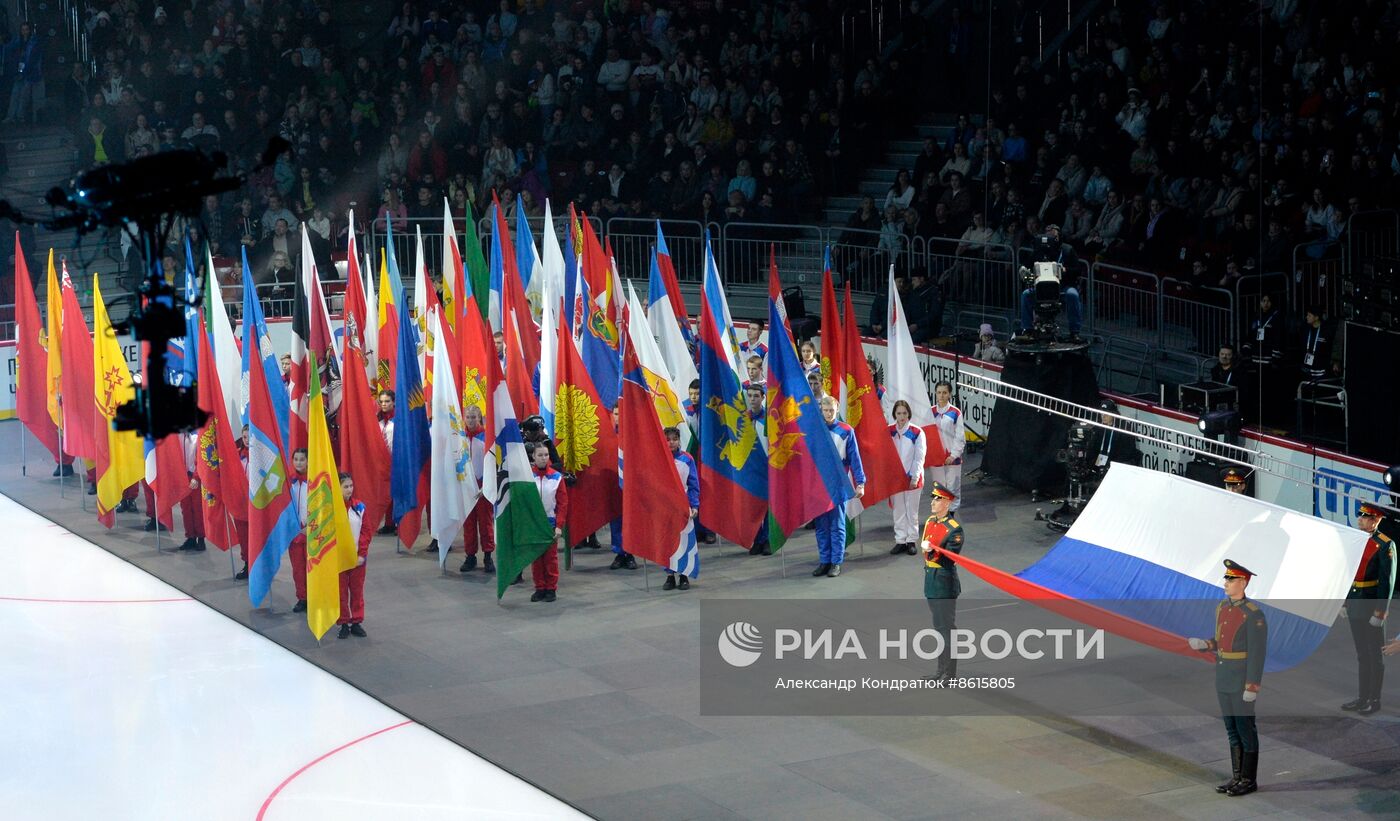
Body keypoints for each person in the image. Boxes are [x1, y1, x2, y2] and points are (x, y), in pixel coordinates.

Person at [1187, 560, 1267, 797]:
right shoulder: (1222, 607)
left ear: (1242, 583)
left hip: (1241, 678)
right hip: (1223, 675)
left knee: (1245, 729)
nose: (1225, 583)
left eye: (1230, 579)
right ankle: (1237, 776)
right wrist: (1206, 644)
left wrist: (1252, 685)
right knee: (1231, 728)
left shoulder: (1253, 614)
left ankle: (1249, 779)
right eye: (1226, 579)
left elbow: (1257, 653)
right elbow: (1222, 641)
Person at [1342, 502, 1394, 716]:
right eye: (1360, 516)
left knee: (1374, 655)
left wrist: (1380, 612)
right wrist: (1345, 602)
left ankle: (1374, 699)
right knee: (1362, 654)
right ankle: (1362, 697)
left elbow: (1386, 582)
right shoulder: (1356, 540)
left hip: (1372, 604)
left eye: (1366, 517)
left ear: (1377, 520)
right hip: (1356, 602)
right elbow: (1349, 573)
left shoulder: (1385, 545)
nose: (1361, 519)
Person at [813, 395, 865, 578]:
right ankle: (824, 560)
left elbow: (855, 459)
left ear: (837, 409)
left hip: (839, 480)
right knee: (821, 524)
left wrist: (860, 483)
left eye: (831, 411)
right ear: (821, 411)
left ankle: (836, 562)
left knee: (837, 523)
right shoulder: (815, 430)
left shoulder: (846, 430)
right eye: (825, 411)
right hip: (819, 481)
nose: (828, 414)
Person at [921, 482, 963, 683]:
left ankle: (949, 673)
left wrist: (932, 550)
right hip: (931, 580)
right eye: (933, 498)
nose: (933, 502)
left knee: (946, 629)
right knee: (939, 628)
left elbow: (950, 558)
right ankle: (940, 670)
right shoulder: (930, 521)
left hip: (944, 583)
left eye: (938, 499)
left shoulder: (954, 529)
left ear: (947, 503)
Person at [1017, 224, 1082, 341]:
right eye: (1048, 236)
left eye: (1054, 236)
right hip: (1041, 288)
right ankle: (1028, 330)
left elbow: (1078, 270)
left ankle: (1074, 332)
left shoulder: (1068, 250)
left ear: (1059, 237)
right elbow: (1026, 265)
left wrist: (1064, 270)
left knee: (1073, 295)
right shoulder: (1039, 251)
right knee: (1026, 295)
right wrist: (1023, 270)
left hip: (1063, 287)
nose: (1052, 239)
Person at [528, 442, 567, 602]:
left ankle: (551, 588)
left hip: (550, 523)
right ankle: (539, 588)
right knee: (536, 558)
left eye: (546, 455)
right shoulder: (528, 478)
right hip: (533, 524)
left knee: (550, 558)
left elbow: (563, 503)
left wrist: (559, 526)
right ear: (533, 457)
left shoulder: (557, 478)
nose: (544, 458)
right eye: (540, 455)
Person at [662, 427, 701, 590]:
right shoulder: (659, 459)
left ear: (679, 440)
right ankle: (670, 576)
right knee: (666, 540)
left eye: (674, 439)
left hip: (683, 505)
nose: (671, 442)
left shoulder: (687, 459)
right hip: (665, 506)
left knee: (684, 538)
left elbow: (693, 484)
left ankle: (684, 575)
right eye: (668, 439)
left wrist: (694, 505)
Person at [336, 472, 373, 639]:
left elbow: (366, 532)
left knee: (357, 591)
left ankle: (356, 621)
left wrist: (362, 554)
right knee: (341, 592)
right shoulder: (332, 510)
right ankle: (343, 622)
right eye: (346, 486)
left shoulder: (359, 508)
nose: (350, 489)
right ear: (338, 487)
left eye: (351, 486)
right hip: (338, 560)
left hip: (358, 559)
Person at [888, 400, 927, 555]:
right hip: (895, 479)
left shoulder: (917, 432)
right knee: (898, 511)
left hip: (912, 479)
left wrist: (914, 477)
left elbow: (920, 457)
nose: (902, 416)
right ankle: (900, 540)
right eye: (899, 413)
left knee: (911, 511)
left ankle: (911, 540)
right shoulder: (889, 431)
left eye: (904, 413)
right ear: (894, 415)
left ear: (909, 413)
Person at [459, 405, 495, 573]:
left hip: (483, 487)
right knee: (469, 524)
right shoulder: (460, 438)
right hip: (466, 487)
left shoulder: (486, 437)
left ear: (479, 418)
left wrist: (487, 486)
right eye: (468, 417)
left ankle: (488, 556)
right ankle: (470, 556)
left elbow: (492, 464)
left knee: (486, 523)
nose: (471, 420)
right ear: (464, 418)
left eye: (474, 417)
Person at [928, 381, 966, 511]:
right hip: (936, 459)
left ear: (949, 394)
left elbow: (960, 437)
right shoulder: (930, 412)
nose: (942, 395)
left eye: (945, 392)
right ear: (935, 393)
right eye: (939, 392)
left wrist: (953, 455)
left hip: (952, 459)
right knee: (939, 489)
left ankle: (951, 517)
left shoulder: (956, 413)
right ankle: (940, 517)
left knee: (953, 488)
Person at [744, 385, 771, 555]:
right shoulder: (744, 419)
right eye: (750, 396)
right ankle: (757, 538)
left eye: (756, 396)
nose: (752, 399)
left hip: (767, 467)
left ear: (763, 398)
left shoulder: (768, 419)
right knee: (753, 504)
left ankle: (767, 539)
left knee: (768, 505)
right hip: (750, 469)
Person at [176, 430, 206, 552]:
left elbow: (201, 460)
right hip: (182, 477)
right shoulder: (177, 436)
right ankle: (190, 537)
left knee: (197, 509)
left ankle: (201, 538)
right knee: (186, 509)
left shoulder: (197, 436)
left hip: (194, 477)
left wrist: (196, 477)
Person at [288, 448, 309, 613]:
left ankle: (314, 596)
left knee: (311, 567)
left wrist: (311, 527)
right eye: (296, 459)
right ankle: (302, 598)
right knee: (298, 568)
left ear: (308, 461)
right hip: (295, 532)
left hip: (311, 532)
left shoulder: (314, 482)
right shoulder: (290, 482)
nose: (299, 462)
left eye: (302, 459)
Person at [376, 389, 397, 534]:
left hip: (396, 460)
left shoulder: (399, 419)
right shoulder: (378, 420)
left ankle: (399, 524)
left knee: (397, 493)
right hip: (382, 461)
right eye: (382, 401)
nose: (384, 404)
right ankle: (389, 523)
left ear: (393, 402)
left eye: (387, 401)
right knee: (386, 492)